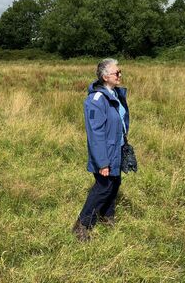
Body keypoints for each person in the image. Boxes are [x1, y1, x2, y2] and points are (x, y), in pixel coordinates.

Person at [72, 58, 130, 241]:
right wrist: (102, 162)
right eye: (116, 72)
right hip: (105, 152)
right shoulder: (96, 99)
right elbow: (95, 134)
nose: (120, 75)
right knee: (103, 188)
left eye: (120, 72)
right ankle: (82, 225)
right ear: (105, 77)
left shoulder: (115, 94)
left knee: (115, 184)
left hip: (117, 148)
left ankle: (106, 215)